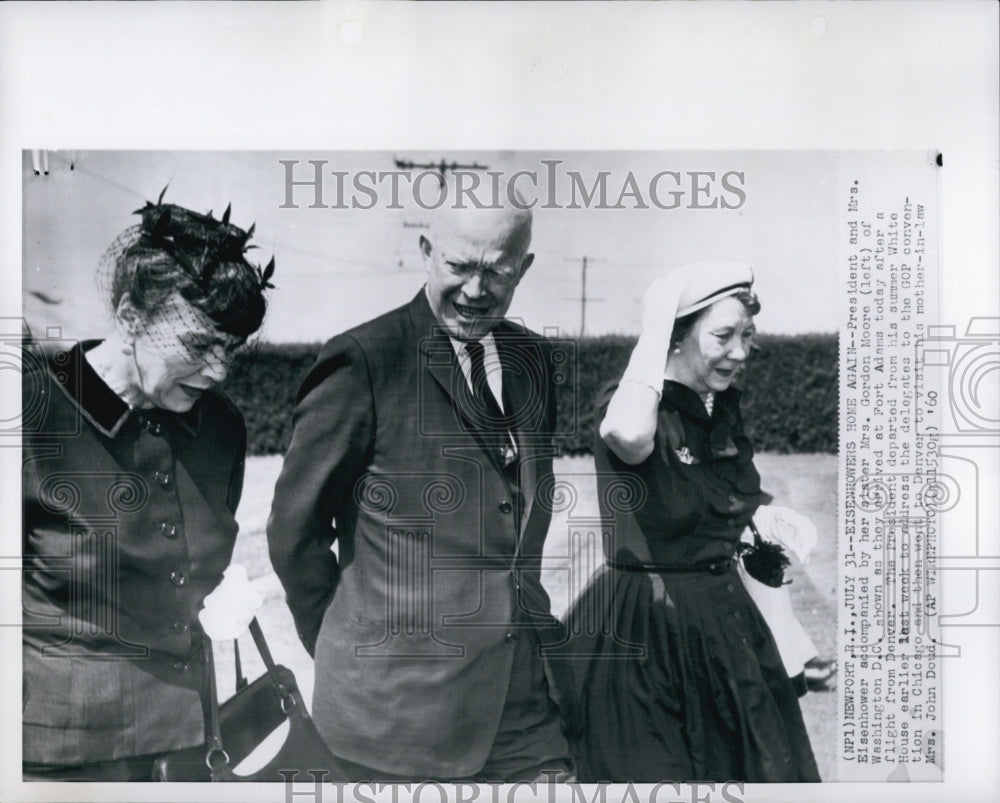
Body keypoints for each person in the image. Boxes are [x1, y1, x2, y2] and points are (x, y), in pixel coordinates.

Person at [267, 186, 573, 781]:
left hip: (521, 709)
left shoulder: (535, 364)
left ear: (525, 268)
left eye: (498, 272)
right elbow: (293, 535)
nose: (476, 291)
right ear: (426, 249)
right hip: (393, 725)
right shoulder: (362, 361)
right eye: (459, 266)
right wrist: (348, 647)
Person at [22, 194, 272, 781]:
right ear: (132, 317)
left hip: (192, 746)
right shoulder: (34, 408)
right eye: (198, 345)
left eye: (229, 349)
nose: (218, 371)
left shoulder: (222, 427)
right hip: (58, 753)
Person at [559, 262, 820, 782]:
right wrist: (655, 329)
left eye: (748, 337)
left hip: (722, 620)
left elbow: (714, 505)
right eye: (723, 336)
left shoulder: (719, 411)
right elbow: (631, 437)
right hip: (644, 628)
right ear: (674, 337)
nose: (740, 353)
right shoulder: (630, 405)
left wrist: (761, 529)